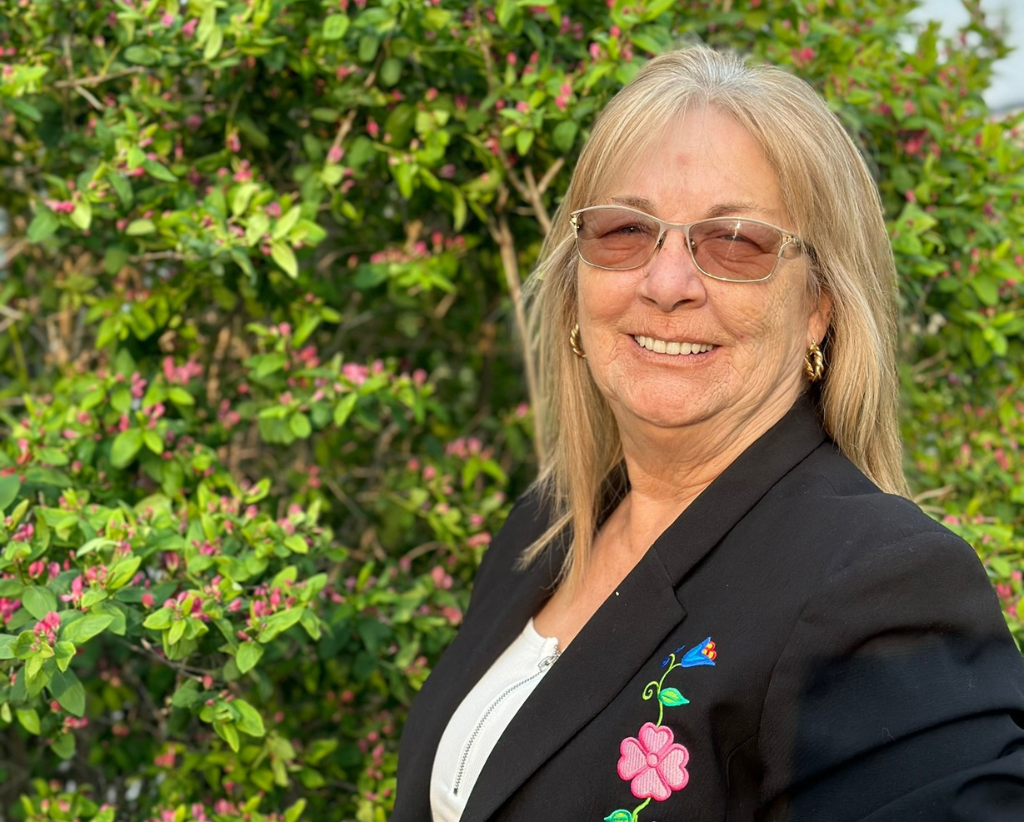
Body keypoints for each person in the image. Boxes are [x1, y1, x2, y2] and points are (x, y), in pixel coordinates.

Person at [392, 47, 1024, 822]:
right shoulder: (548, 527)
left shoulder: (876, 585)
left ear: (818, 307)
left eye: (735, 243)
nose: (666, 284)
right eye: (624, 230)